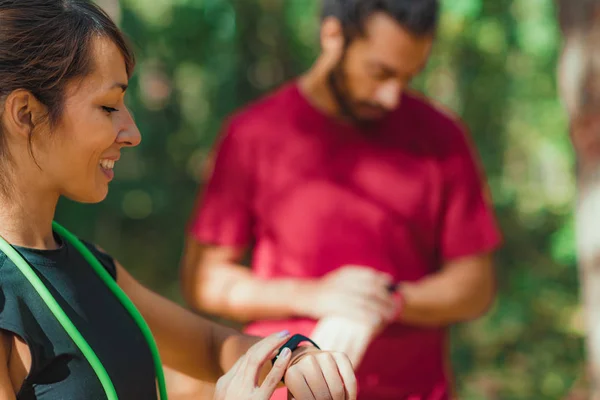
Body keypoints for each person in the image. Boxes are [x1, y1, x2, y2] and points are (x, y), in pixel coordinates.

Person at [0, 1, 358, 399]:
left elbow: (211, 346)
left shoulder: (92, 266)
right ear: (26, 114)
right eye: (108, 107)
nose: (132, 132)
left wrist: (296, 356)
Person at [181, 0, 503, 399]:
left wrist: (385, 301)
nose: (391, 96)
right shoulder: (253, 135)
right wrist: (315, 295)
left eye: (407, 77)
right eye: (380, 72)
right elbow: (206, 281)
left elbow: (474, 285)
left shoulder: (443, 138)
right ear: (332, 35)